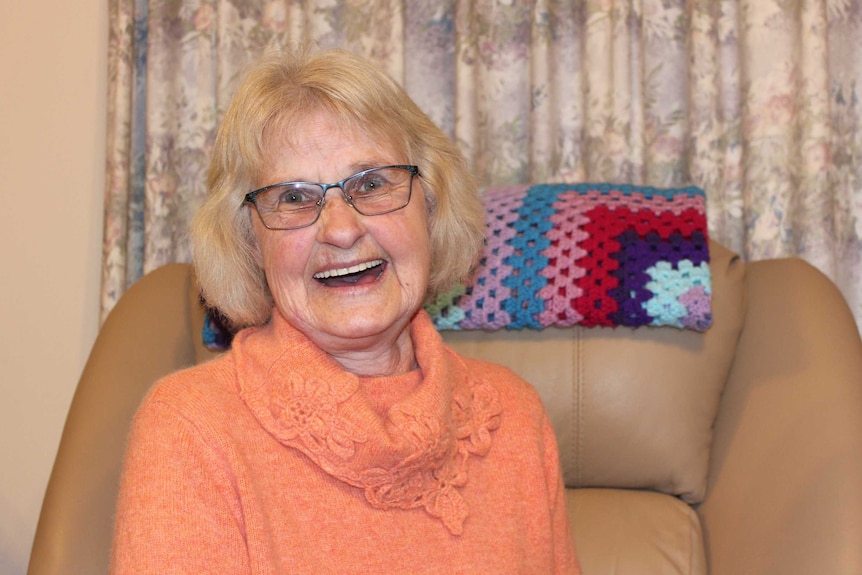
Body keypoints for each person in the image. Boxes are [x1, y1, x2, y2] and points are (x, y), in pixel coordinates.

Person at [110, 47, 579, 574]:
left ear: (431, 205)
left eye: (372, 184)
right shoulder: (190, 428)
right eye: (292, 198)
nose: (340, 228)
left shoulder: (513, 417)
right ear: (249, 242)